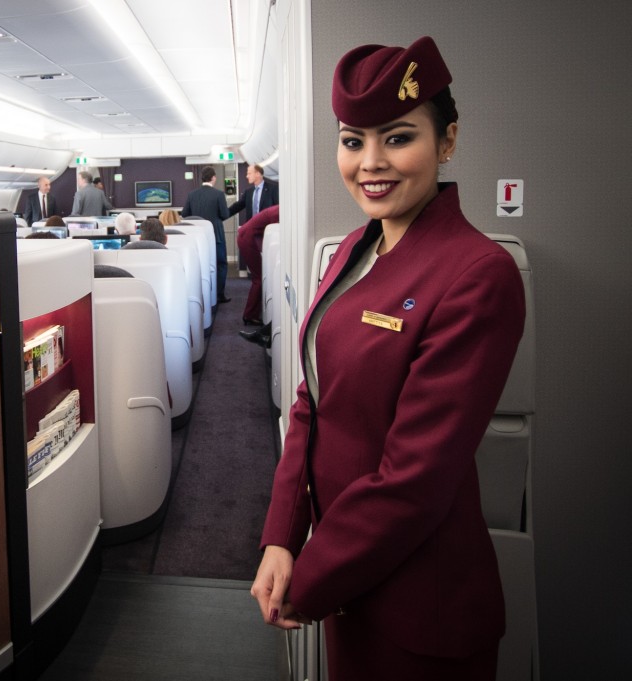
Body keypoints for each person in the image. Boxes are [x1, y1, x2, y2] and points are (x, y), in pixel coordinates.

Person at [250, 36, 525, 681]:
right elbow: (311, 400)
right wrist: (281, 534)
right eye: (353, 141)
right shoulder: (352, 249)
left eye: (398, 138)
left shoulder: (477, 273)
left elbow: (416, 480)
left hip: (421, 605)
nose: (370, 162)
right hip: (349, 581)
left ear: (447, 141)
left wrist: (311, 577)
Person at [182, 166, 232, 302]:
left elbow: (185, 214)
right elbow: (225, 214)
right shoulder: (219, 194)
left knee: (201, 265)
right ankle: (219, 295)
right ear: (213, 178)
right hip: (216, 236)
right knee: (220, 264)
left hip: (197, 237)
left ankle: (204, 294)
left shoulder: (192, 195)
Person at [236, 203, 280, 332]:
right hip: (247, 239)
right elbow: (278, 234)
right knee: (259, 278)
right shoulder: (279, 212)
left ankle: (253, 313)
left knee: (259, 277)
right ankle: (249, 315)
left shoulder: (278, 209)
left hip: (248, 236)